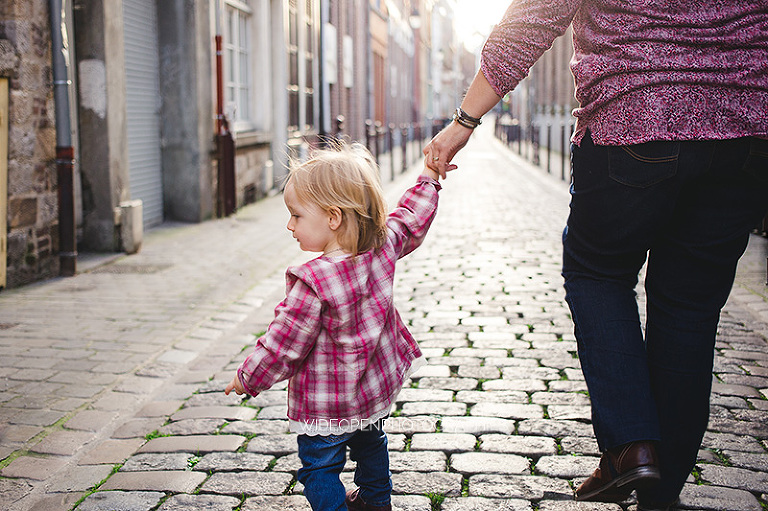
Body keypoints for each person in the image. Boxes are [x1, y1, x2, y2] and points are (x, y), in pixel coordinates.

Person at [424, 1, 768, 510]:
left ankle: (631, 447)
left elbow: (533, 21)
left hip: (634, 117)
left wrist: (464, 121)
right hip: (746, 133)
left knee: (596, 273)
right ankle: (659, 492)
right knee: (691, 309)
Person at [225, 143, 444, 511]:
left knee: (320, 470)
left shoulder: (313, 280)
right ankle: (376, 501)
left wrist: (249, 377)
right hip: (370, 393)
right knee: (372, 446)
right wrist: (430, 177)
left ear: (332, 217)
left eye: (296, 215)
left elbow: (283, 345)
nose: (289, 225)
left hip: (325, 405)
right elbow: (410, 218)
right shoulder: (383, 245)